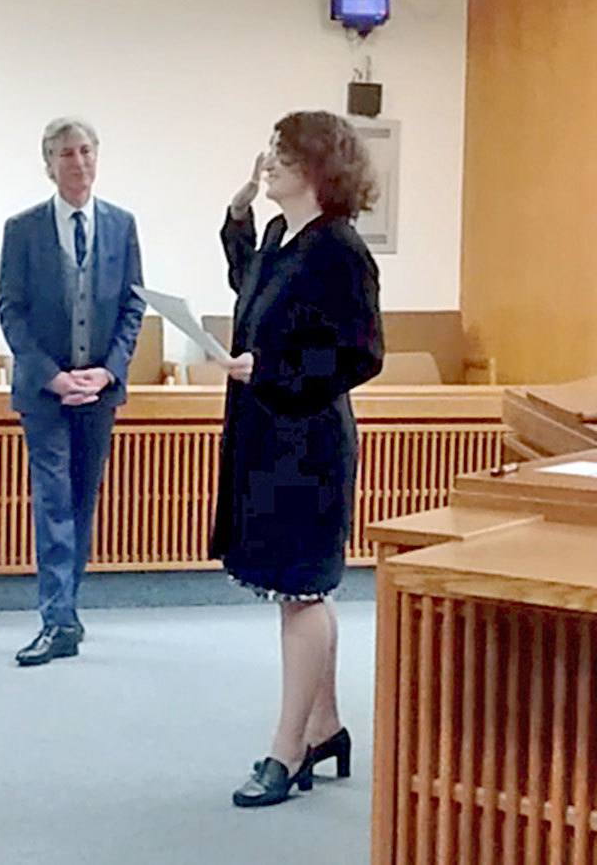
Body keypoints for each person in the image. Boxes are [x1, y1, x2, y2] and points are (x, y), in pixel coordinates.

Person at [212, 111, 384, 807]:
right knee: (303, 590)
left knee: (301, 590)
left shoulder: (339, 249)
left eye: (283, 154)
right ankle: (325, 724)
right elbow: (251, 289)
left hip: (307, 441)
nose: (269, 161)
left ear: (318, 168)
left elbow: (361, 353)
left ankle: (287, 750)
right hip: (269, 434)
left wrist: (272, 370)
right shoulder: (285, 237)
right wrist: (236, 218)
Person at [0, 117, 145, 667]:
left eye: (85, 151)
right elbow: (10, 310)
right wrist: (50, 375)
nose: (77, 162)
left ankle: (68, 608)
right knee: (54, 499)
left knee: (83, 500)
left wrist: (109, 371)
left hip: (99, 389)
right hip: (46, 391)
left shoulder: (122, 225)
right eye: (65, 154)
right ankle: (56, 619)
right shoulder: (23, 229)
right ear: (48, 164)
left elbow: (133, 304)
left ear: (97, 158)